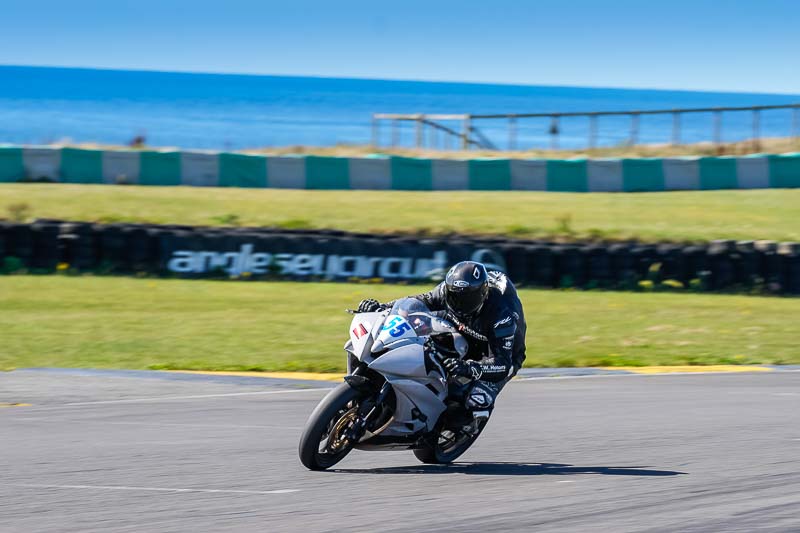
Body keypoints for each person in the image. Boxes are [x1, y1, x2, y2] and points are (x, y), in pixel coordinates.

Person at [356, 260, 526, 424]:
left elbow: (502, 364)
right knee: (418, 326)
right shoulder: (446, 290)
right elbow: (414, 303)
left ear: (482, 295)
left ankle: (459, 428)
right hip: (459, 327)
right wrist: (382, 307)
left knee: (475, 401)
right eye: (454, 297)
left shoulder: (502, 316)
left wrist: (470, 368)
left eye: (467, 300)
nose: (459, 304)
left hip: (496, 351)